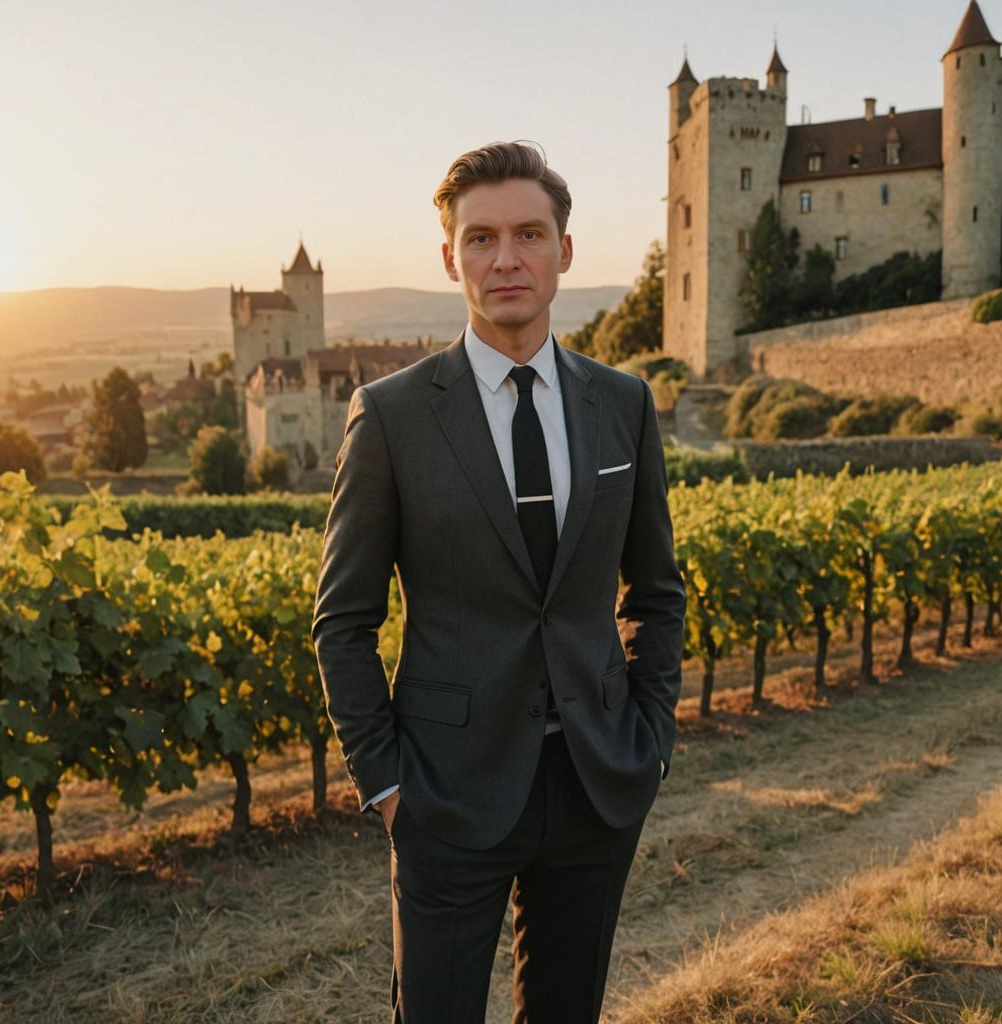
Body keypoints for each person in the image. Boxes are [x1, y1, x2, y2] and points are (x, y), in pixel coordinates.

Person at [312, 140, 686, 1023]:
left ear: (564, 249)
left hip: (598, 779)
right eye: (480, 238)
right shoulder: (393, 415)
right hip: (445, 792)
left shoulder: (623, 403)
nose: (505, 257)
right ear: (450, 257)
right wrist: (391, 785)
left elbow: (657, 592)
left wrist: (651, 737)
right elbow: (343, 621)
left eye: (528, 233)